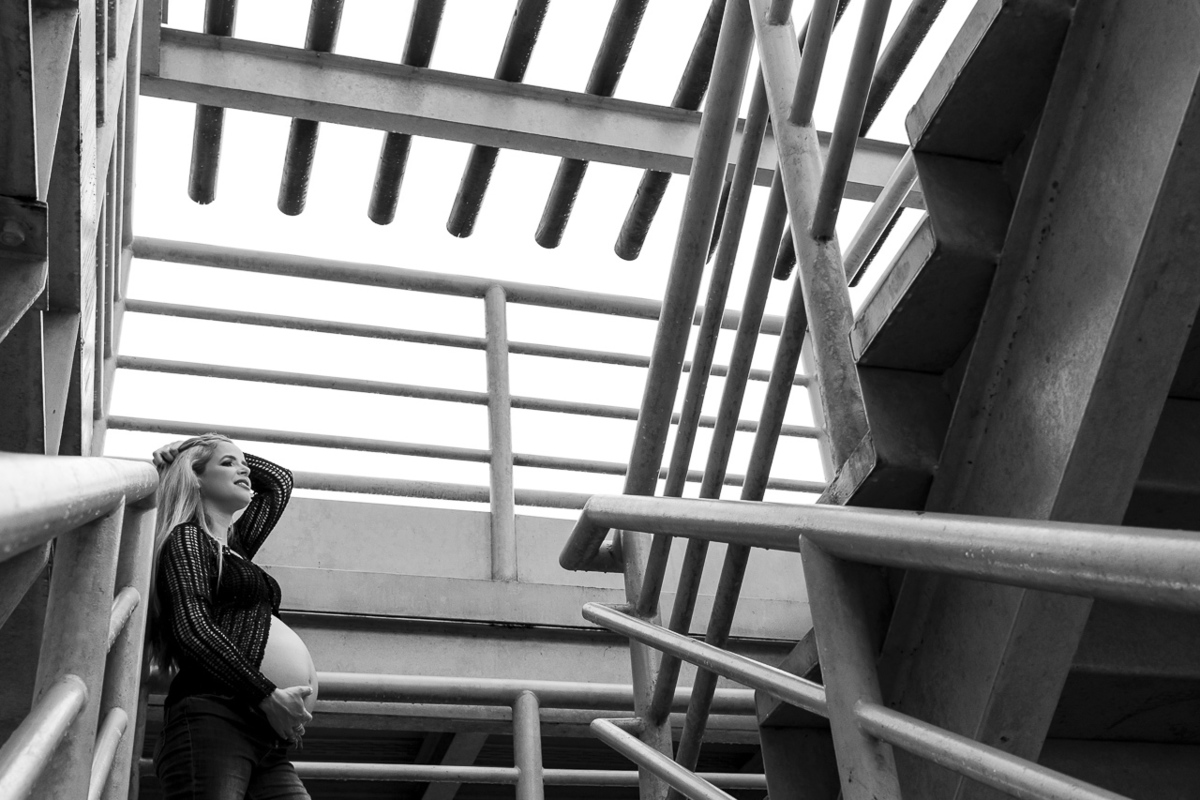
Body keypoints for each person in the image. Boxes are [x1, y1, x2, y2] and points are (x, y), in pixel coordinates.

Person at [148, 433, 317, 799]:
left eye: (244, 466)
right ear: (194, 477)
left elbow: (278, 482)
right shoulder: (187, 538)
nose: (244, 471)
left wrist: (219, 453)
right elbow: (192, 628)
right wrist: (267, 695)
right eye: (228, 464)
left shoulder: (235, 547)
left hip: (266, 735)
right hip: (217, 718)